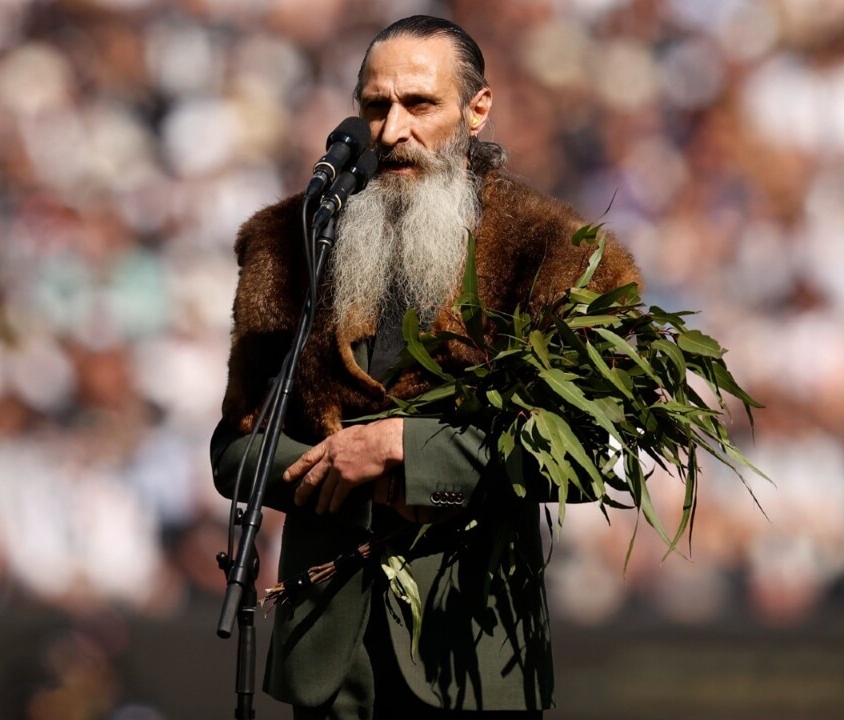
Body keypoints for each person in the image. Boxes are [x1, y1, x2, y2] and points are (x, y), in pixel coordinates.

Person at [211, 15, 640, 719]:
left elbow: (586, 453)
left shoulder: (554, 255)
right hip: (329, 666)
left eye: (419, 104)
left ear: (477, 110)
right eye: (375, 106)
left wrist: (404, 451)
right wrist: (352, 477)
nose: (391, 130)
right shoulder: (288, 246)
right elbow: (235, 449)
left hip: (472, 660)